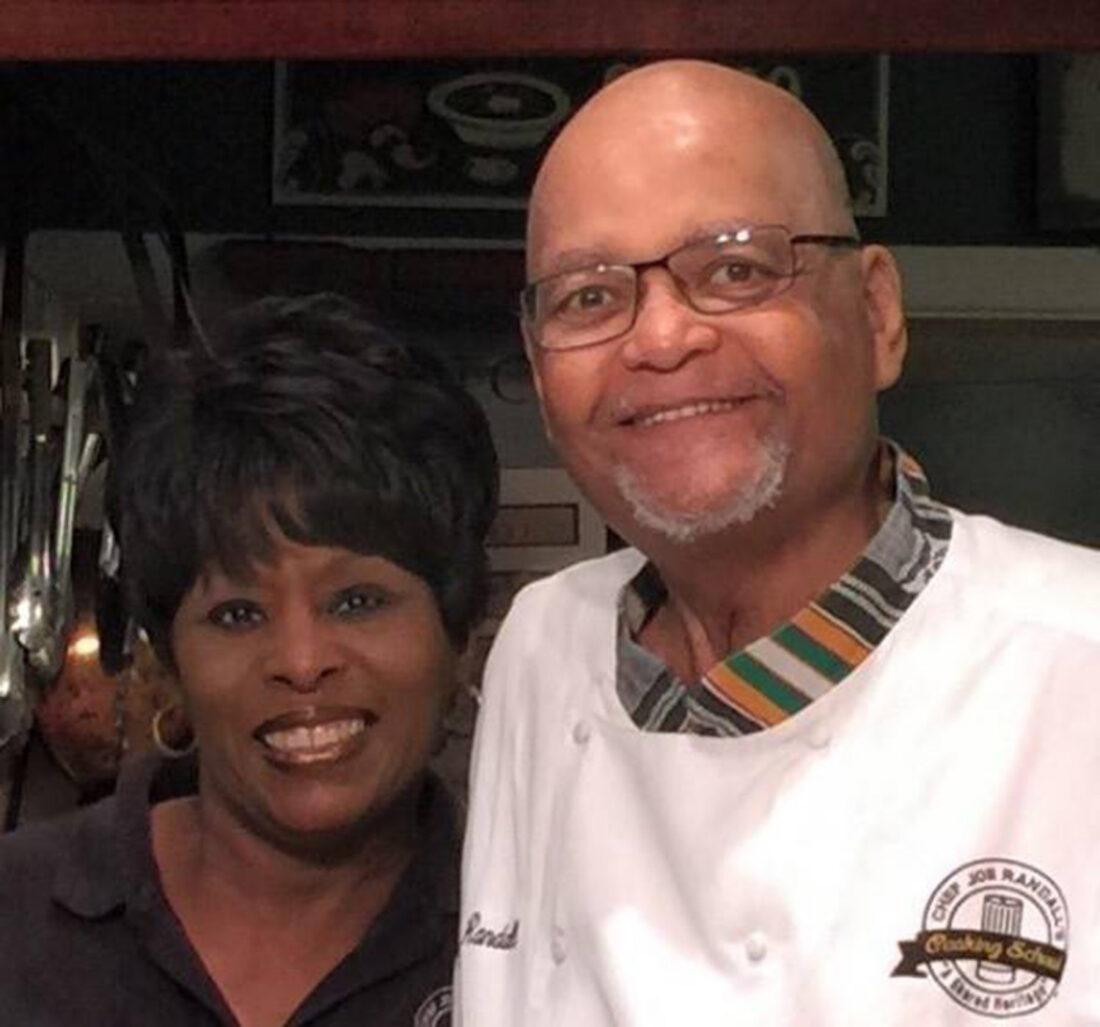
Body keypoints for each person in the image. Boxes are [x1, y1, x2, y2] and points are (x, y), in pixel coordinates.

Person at [458, 60, 1100, 1025]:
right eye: (589, 296)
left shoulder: (1077, 658)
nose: (661, 338)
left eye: (735, 267)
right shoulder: (541, 648)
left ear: (878, 313)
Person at [0, 294, 498, 1026]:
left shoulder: (537, 932)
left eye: (357, 600)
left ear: (455, 630)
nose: (300, 661)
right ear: (171, 657)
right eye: (237, 614)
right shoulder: (18, 916)